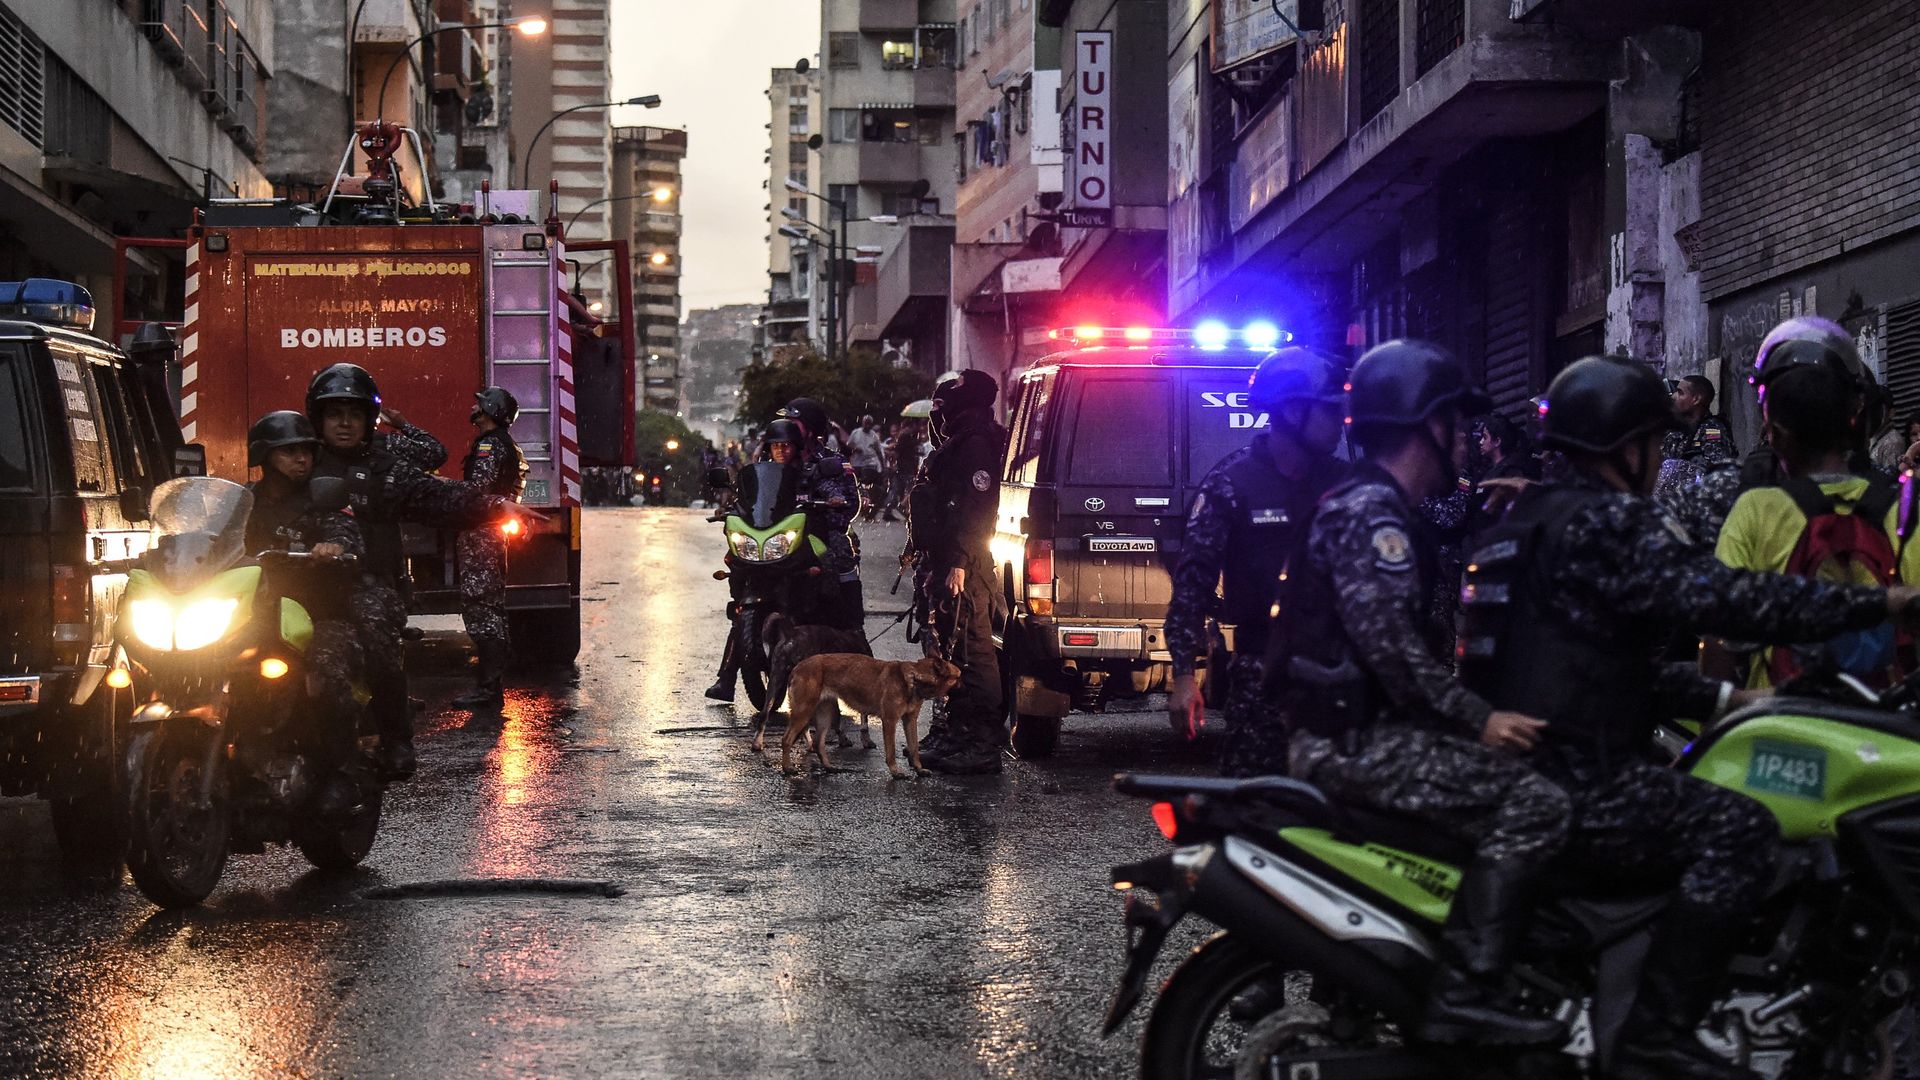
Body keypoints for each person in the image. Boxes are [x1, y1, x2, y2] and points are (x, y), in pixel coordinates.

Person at [1457, 355, 1919, 1080]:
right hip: (1579, 777)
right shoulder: (1612, 523)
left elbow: (1591, 665)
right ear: (1627, 447)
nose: (1657, 458)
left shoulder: (1524, 522)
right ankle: (1657, 1034)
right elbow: (1731, 600)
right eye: (1651, 440)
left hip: (1530, 766)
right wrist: (1877, 603)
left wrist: (1730, 699)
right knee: (1740, 830)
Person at [1270, 340, 1570, 1046]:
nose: (1468, 443)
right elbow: (1396, 655)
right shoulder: (1372, 515)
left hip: (1362, 733)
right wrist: (1482, 719)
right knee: (1537, 802)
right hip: (1356, 745)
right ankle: (1465, 992)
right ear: (1425, 427)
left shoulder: (1381, 503)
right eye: (1457, 427)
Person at [307, 363, 542, 778]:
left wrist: (496, 507)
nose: (343, 424)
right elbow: (258, 505)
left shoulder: (385, 468)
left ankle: (395, 739)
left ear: (367, 419)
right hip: (304, 586)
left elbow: (439, 494)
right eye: (333, 414)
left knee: (377, 643)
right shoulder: (298, 461)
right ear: (317, 418)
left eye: (353, 414)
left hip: (367, 584)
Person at [1164, 346, 1347, 775]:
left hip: (1341, 679)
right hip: (1261, 679)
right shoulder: (1233, 486)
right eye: (1328, 411)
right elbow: (1193, 585)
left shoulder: (1347, 483)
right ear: (1292, 413)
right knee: (1255, 812)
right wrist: (1184, 676)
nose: (1340, 422)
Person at [1714, 364, 1916, 689]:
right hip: (1890, 725)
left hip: (1779, 725)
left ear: (1774, 434)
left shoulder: (1755, 509)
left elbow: (1721, 632)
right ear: (1854, 424)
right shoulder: (1906, 509)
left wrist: (1720, 714)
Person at [243, 409, 368, 817]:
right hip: (254, 614)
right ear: (265, 456)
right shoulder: (244, 503)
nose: (302, 459)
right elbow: (211, 536)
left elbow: (345, 533)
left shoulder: (323, 499)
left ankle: (341, 774)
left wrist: (332, 548)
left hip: (319, 616)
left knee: (324, 677)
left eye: (306, 452)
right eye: (289, 452)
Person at [908, 370, 1009, 775]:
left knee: (973, 653)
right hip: (945, 559)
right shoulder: (958, 442)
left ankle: (982, 745)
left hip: (962, 564)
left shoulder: (977, 443)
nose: (939, 414)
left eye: (943, 406)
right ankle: (957, 733)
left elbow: (977, 507)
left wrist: (961, 562)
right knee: (950, 649)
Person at [452, 387, 529, 709]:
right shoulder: (504, 445)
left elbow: (478, 491)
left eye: (479, 404)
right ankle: (491, 683)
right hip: (493, 533)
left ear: (490, 411)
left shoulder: (489, 445)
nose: (473, 407)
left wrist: (446, 492)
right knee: (493, 608)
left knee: (481, 608)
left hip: (481, 534)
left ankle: (488, 688)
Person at [778, 397, 864, 630]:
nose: (786, 428)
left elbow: (850, 504)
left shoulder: (832, 461)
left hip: (820, 533)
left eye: (793, 423)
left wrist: (830, 508)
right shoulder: (775, 459)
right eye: (785, 422)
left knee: (841, 554)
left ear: (810, 429)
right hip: (781, 535)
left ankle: (855, 631)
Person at [846, 414, 885, 521]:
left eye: (869, 423)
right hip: (856, 463)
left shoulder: (873, 436)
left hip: (870, 464)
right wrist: (855, 449)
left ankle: (866, 507)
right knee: (856, 485)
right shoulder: (856, 433)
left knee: (866, 486)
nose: (867, 425)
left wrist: (883, 466)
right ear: (862, 423)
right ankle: (858, 506)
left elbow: (879, 451)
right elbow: (848, 446)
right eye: (865, 423)